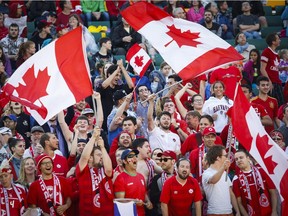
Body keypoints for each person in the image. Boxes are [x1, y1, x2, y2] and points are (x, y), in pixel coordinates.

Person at [76, 126, 114, 215]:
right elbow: (84, 157)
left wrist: (103, 147)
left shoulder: (104, 171)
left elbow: (109, 169)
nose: (102, 157)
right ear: (91, 158)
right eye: (98, 155)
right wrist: (93, 137)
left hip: (107, 212)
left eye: (102, 155)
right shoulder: (83, 171)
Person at [233, 149, 278, 216]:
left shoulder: (262, 172)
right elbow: (239, 202)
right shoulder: (236, 179)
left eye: (241, 157)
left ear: (248, 158)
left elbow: (273, 192)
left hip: (268, 213)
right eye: (236, 159)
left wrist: (274, 211)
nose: (239, 160)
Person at [202, 145, 240, 215]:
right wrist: (223, 168)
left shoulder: (224, 173)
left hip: (229, 213)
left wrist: (237, 211)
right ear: (218, 158)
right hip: (215, 213)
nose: (227, 157)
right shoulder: (206, 173)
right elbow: (213, 180)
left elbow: (231, 194)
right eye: (225, 155)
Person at [114, 149, 153, 216]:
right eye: (131, 156)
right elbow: (120, 201)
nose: (135, 158)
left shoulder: (141, 176)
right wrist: (134, 202)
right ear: (124, 161)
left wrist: (148, 201)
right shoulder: (120, 178)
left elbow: (144, 193)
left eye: (135, 156)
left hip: (142, 213)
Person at [149, 150, 176, 215]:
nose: (162, 162)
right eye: (161, 160)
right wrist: (168, 190)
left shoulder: (181, 177)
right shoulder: (157, 178)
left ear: (173, 161)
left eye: (165, 159)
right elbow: (153, 198)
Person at [261, 32, 285, 106]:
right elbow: (262, 69)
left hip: (277, 82)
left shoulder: (276, 54)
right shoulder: (266, 52)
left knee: (281, 105)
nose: (280, 40)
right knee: (272, 105)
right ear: (273, 42)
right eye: (278, 39)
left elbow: (274, 68)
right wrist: (269, 82)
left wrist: (283, 68)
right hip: (271, 82)